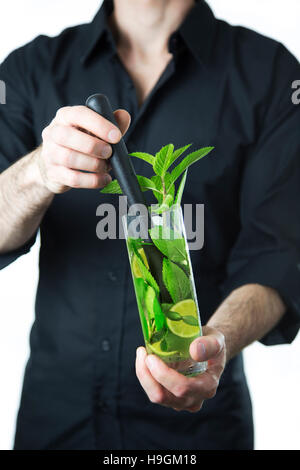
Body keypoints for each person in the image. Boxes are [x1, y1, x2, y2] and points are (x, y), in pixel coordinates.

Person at [0, 0, 299, 450]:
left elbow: (279, 255)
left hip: (202, 434)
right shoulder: (29, 68)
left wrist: (214, 345)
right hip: (54, 421)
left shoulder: (271, 73)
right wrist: (39, 171)